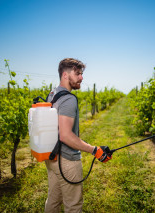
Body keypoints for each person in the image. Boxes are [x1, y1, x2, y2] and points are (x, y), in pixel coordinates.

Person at [44, 58, 112, 213]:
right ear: (66, 75)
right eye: (78, 74)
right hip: (67, 161)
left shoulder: (53, 94)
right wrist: (95, 150)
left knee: (53, 201)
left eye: (81, 74)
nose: (82, 78)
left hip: (52, 157)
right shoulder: (68, 99)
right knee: (73, 206)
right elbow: (66, 136)